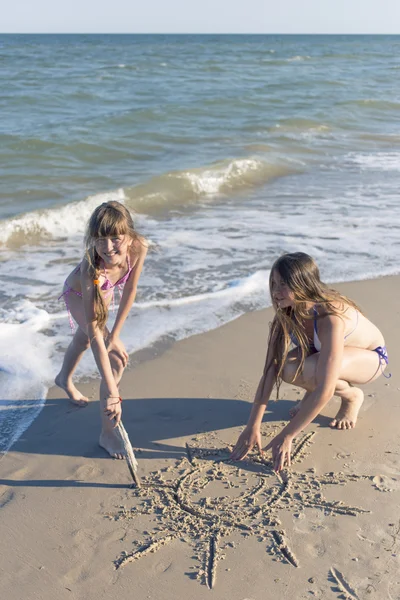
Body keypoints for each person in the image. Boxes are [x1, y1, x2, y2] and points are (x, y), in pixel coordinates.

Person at [231, 252, 389, 472]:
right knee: (287, 368)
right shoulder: (285, 315)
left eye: (284, 284)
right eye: (273, 283)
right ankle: (310, 393)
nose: (276, 292)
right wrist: (252, 425)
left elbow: (325, 388)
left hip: (371, 359)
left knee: (317, 373)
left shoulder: (329, 319)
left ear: (303, 284)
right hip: (324, 355)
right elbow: (269, 371)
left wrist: (288, 435)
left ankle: (352, 397)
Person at [56, 201, 148, 459]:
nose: (108, 248)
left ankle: (63, 379)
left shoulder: (139, 248)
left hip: (104, 290)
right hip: (78, 293)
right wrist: (113, 390)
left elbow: (130, 289)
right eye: (100, 240)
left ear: (129, 236)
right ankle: (107, 433)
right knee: (114, 361)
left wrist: (115, 335)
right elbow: (96, 329)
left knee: (86, 341)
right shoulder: (91, 266)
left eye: (115, 239)